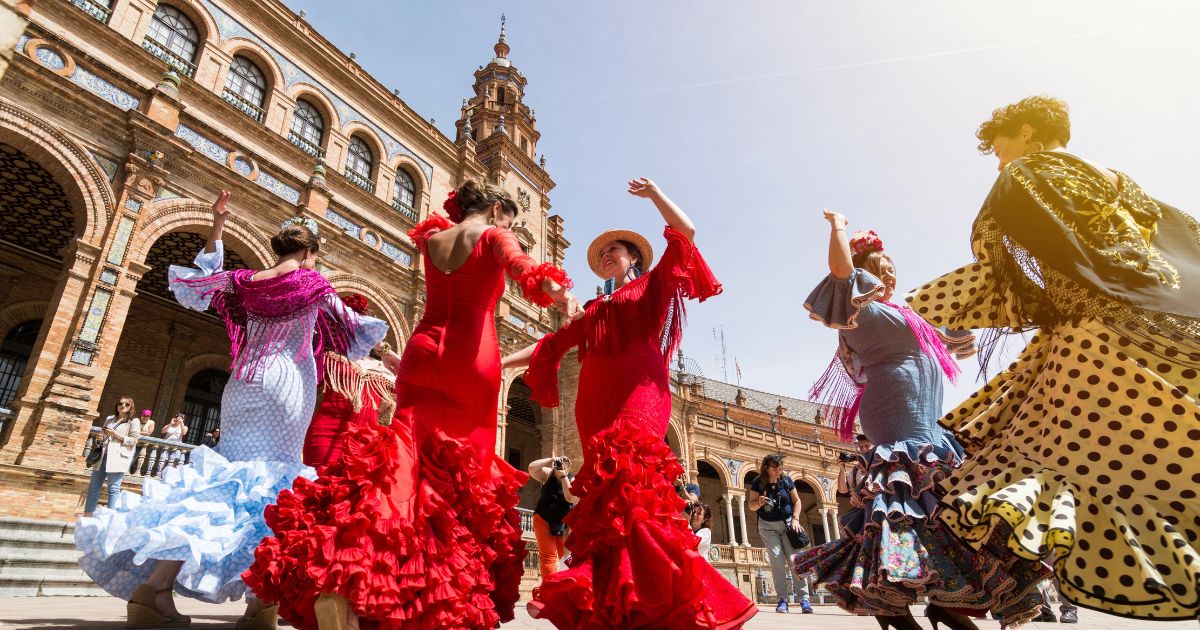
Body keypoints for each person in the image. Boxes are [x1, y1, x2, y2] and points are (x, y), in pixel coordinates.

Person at [907, 95, 1200, 620]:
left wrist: (939, 311)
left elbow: (999, 261)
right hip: (1167, 323)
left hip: (1092, 338)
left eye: (1000, 149)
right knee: (1167, 444)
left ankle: (986, 591)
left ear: (1026, 133)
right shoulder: (1119, 180)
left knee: (1050, 466)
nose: (999, 161)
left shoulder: (1027, 174)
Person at [245, 178, 578, 630]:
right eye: (509, 218)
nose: (509, 226)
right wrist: (558, 293)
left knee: (400, 465)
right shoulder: (496, 234)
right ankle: (428, 597)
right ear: (498, 208)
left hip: (421, 351)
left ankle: (344, 582)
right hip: (470, 357)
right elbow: (523, 268)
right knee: (460, 480)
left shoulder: (434, 238)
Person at [74, 190, 388, 630]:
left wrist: (218, 224)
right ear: (309, 253)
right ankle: (261, 603)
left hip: (241, 384)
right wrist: (389, 358)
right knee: (274, 489)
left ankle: (155, 590)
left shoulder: (245, 283)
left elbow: (200, 282)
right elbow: (351, 327)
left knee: (222, 483)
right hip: (285, 385)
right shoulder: (312, 283)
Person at [505, 178, 756, 628]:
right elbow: (549, 347)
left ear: (633, 257)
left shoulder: (651, 287)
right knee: (608, 503)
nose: (606, 257)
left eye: (615, 251)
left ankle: (672, 595)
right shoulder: (594, 310)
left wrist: (656, 194)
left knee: (634, 486)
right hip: (593, 406)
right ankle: (622, 603)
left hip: (640, 394)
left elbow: (688, 234)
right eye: (602, 254)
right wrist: (497, 361)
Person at [794, 216, 1050, 630]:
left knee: (942, 503)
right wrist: (838, 228)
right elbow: (840, 273)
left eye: (893, 269)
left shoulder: (913, 315)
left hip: (929, 419)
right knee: (905, 501)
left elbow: (962, 328)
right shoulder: (861, 311)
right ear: (865, 274)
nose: (890, 276)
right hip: (894, 412)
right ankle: (891, 599)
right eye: (881, 269)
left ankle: (947, 598)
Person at [301, 293, 401, 468]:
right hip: (324, 435)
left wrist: (385, 351)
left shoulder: (385, 369)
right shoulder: (328, 357)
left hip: (365, 446)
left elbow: (413, 387)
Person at [749, 454, 812, 614]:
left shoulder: (786, 480)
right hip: (767, 526)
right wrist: (759, 503)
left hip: (788, 524)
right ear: (767, 468)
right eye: (775, 469)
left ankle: (804, 599)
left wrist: (796, 519)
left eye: (780, 468)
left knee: (795, 561)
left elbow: (796, 501)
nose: (779, 471)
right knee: (776, 562)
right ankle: (782, 600)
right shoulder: (758, 482)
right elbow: (751, 506)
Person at [82, 397, 142, 517]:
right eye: (120, 403)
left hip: (118, 458)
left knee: (113, 488)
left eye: (126, 404)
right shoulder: (110, 419)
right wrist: (100, 437)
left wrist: (116, 435)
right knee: (93, 488)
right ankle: (87, 516)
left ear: (131, 407)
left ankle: (109, 518)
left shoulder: (133, 421)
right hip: (102, 457)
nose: (123, 406)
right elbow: (103, 435)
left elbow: (134, 440)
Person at [529, 456, 579, 579]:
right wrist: (551, 460)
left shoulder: (573, 480)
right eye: (559, 464)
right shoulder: (549, 474)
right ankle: (548, 589)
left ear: (568, 468)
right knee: (548, 557)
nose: (560, 467)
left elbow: (571, 498)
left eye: (563, 465)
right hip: (543, 518)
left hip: (564, 523)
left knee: (566, 556)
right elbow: (531, 468)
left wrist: (563, 477)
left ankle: (565, 585)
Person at [127, 409, 155, 474]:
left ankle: (127, 469)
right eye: (144, 416)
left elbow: (149, 432)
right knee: (128, 455)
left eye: (147, 416)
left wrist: (137, 432)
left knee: (134, 457)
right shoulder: (136, 420)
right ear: (141, 415)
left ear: (149, 416)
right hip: (132, 441)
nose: (145, 417)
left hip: (141, 444)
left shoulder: (151, 422)